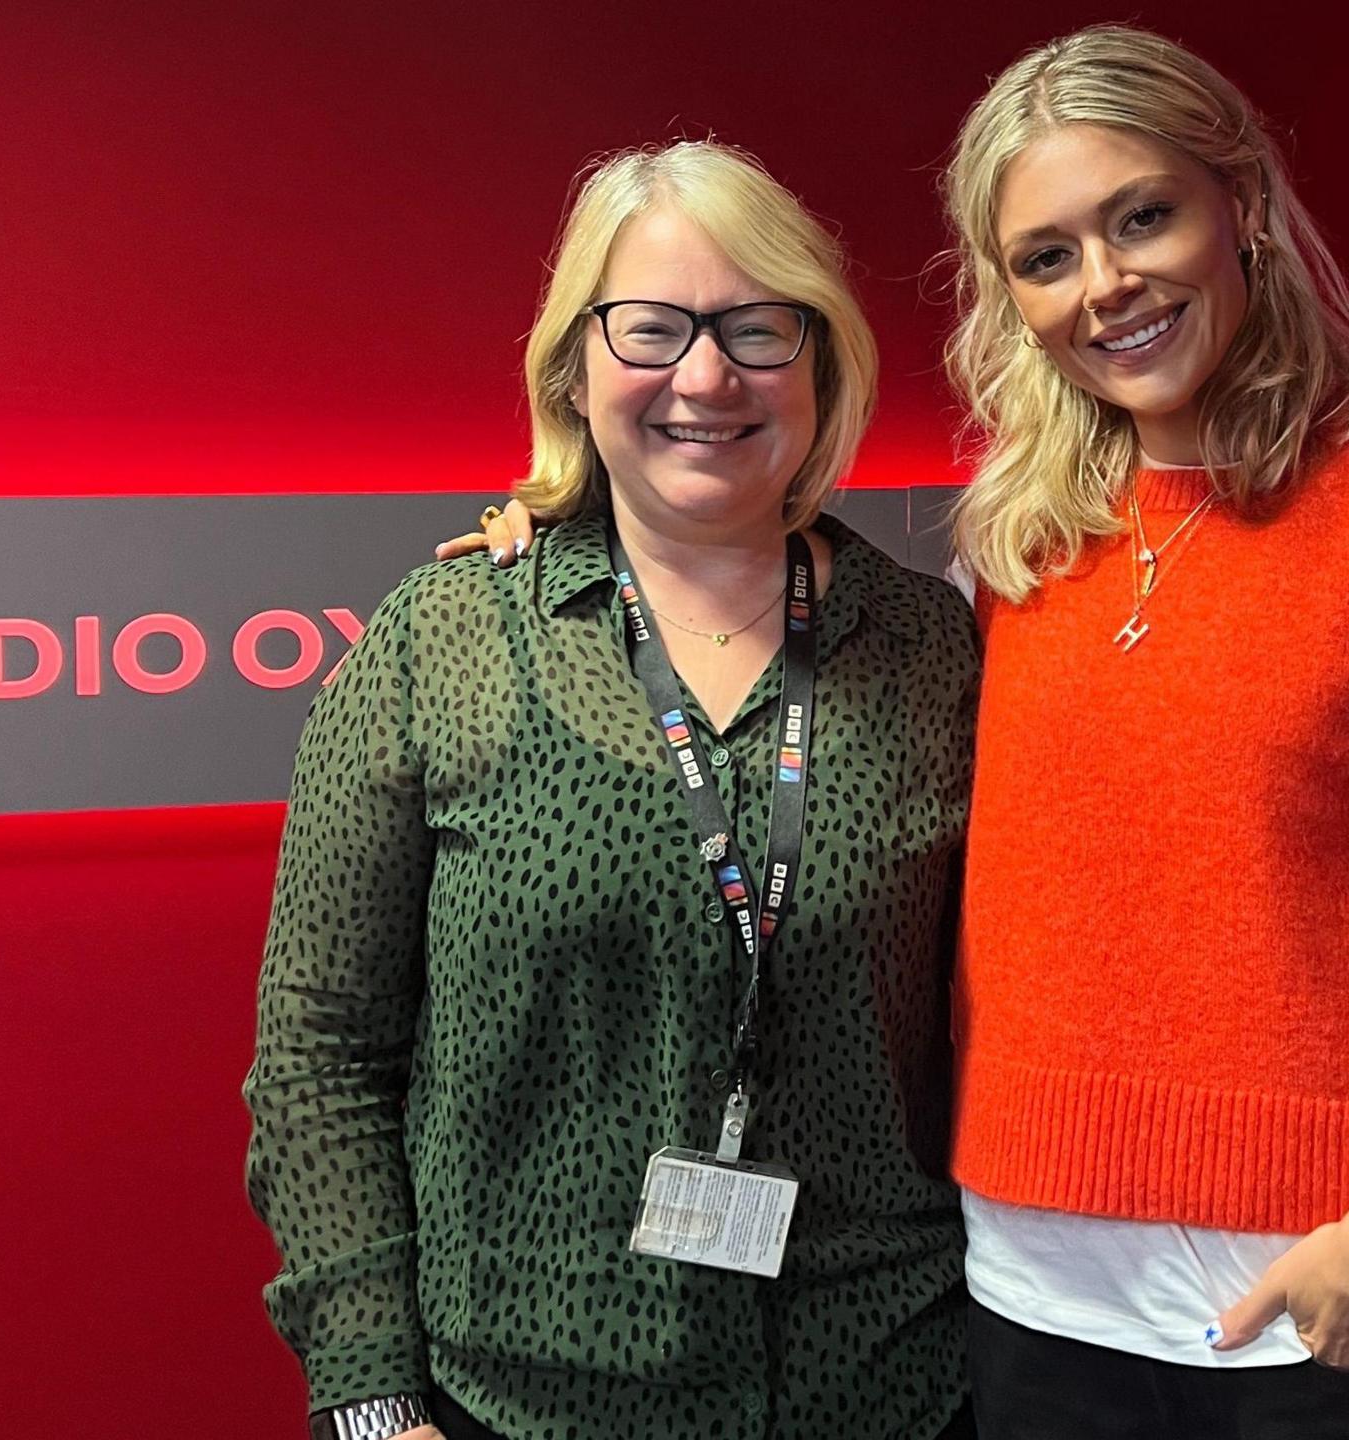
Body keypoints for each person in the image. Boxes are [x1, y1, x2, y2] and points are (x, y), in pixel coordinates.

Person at [452, 25, 1349, 1440]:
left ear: (1241, 207)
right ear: (1008, 293)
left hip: (1336, 1309)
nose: (1107, 285)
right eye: (1047, 255)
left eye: (1144, 217)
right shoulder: (1010, 550)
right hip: (1027, 1322)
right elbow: (744, 586)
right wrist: (580, 519)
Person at [247, 140, 979, 1440]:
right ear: (574, 367)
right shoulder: (446, 638)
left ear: (822, 361)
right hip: (519, 1401)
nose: (705, 375)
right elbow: (321, 1057)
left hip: (887, 1388)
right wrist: (370, 1403)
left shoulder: (934, 649)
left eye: (759, 329)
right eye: (651, 327)